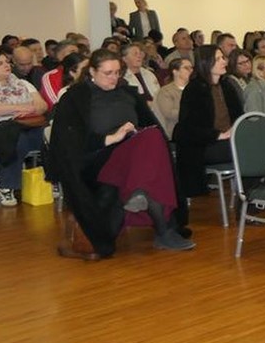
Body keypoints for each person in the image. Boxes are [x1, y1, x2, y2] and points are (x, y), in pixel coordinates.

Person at [47, 48, 193, 257]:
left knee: (151, 138)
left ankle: (139, 192)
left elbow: (150, 126)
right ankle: (163, 230)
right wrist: (110, 139)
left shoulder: (127, 94)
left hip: (132, 152)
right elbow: (69, 142)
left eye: (117, 72)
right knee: (149, 148)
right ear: (92, 72)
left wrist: (131, 133)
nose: (114, 78)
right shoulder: (75, 98)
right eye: (108, 73)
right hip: (97, 158)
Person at [173, 45, 243, 228]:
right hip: (204, 145)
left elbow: (239, 115)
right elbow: (188, 128)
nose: (224, 61)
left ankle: (247, 202)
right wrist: (218, 135)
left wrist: (237, 131)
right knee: (246, 151)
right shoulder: (195, 89)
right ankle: (248, 203)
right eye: (219, 58)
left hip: (229, 141)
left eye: (223, 58)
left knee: (252, 147)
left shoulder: (227, 86)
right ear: (207, 63)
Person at [0, 49, 48, 207]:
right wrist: (20, 108)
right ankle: (7, 187)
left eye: (7, 62)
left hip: (25, 125)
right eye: (0, 63)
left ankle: (51, 180)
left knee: (51, 135)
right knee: (16, 139)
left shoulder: (23, 83)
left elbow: (42, 106)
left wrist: (24, 109)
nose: (6, 65)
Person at [153, 58, 192, 136]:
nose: (191, 70)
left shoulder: (194, 88)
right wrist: (193, 112)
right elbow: (169, 113)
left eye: (191, 67)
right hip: (177, 132)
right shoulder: (166, 91)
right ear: (175, 72)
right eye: (186, 68)